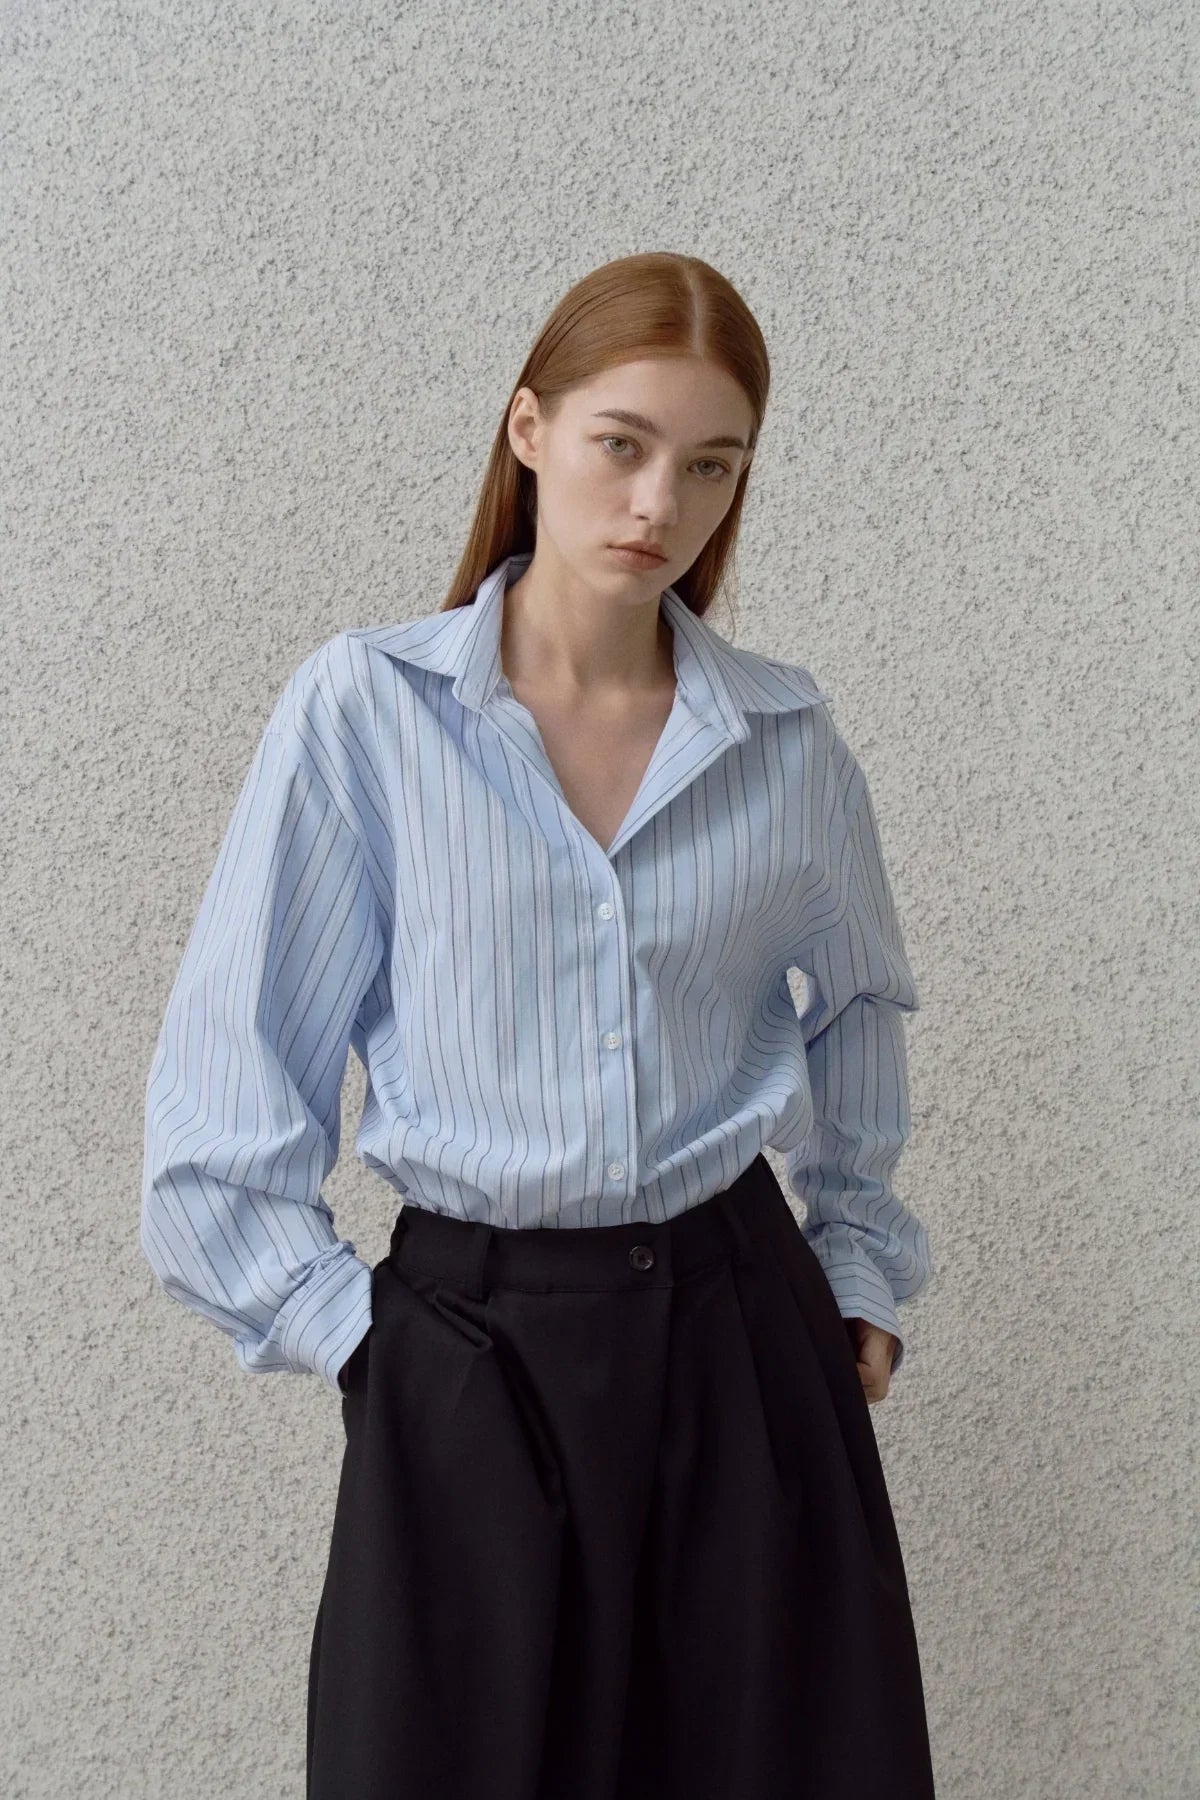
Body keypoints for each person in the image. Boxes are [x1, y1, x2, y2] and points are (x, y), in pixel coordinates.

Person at [140, 250, 937, 1799]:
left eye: (713, 466)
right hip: (470, 1349)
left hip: (742, 1340)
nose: (663, 504)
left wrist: (860, 1268)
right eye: (621, 445)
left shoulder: (783, 738)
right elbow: (224, 1108)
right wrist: (372, 1352)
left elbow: (860, 1008)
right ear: (528, 431)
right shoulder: (364, 714)